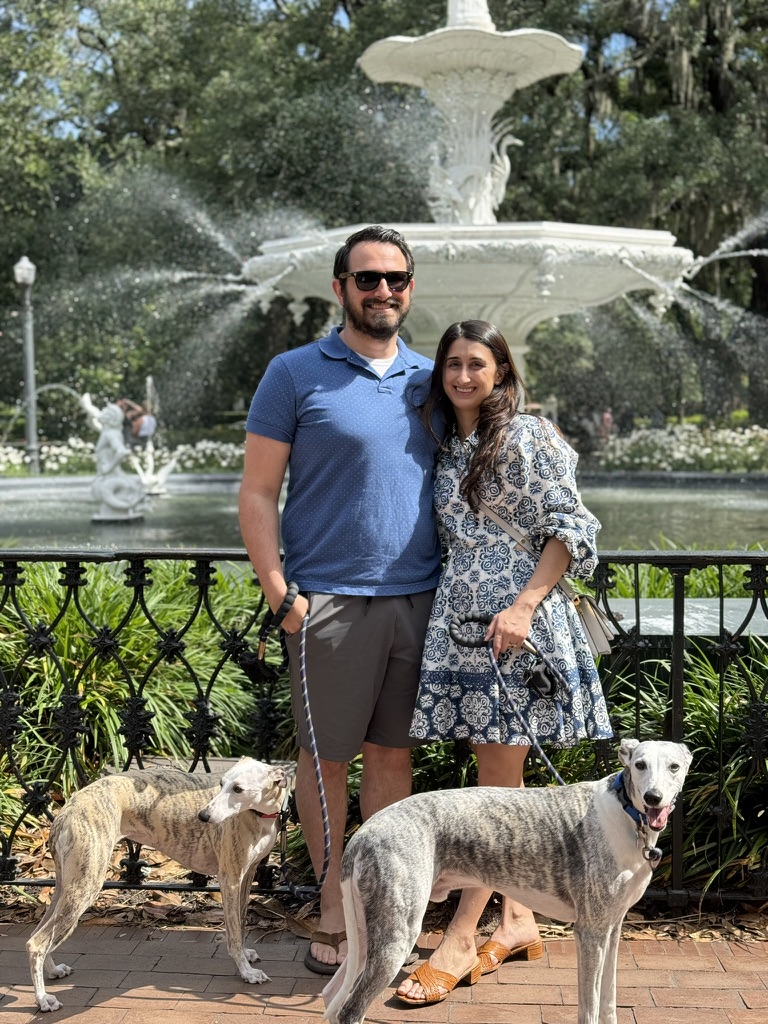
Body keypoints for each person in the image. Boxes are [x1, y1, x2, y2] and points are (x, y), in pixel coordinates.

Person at [238, 225, 441, 974]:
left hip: (418, 601)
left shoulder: (432, 378)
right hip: (327, 603)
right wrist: (280, 594)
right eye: (367, 279)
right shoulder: (294, 373)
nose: (383, 290)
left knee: (393, 760)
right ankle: (332, 906)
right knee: (326, 763)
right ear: (340, 289)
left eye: (396, 277)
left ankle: (381, 907)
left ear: (410, 288)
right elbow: (257, 493)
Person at [397, 319, 613, 1006]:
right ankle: (516, 918)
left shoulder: (530, 435)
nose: (463, 376)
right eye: (453, 364)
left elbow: (573, 529)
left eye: (477, 365)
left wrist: (522, 607)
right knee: (497, 776)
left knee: (494, 785)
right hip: (461, 630)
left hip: (514, 629)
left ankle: (462, 936)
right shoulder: (449, 443)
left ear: (501, 372)